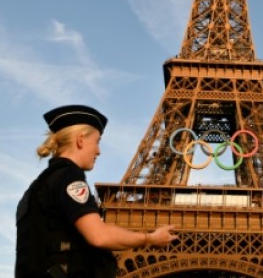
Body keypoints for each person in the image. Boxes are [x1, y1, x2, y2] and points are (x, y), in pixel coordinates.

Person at [15, 105, 178, 278]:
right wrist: (149, 239)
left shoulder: (36, 187)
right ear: (81, 140)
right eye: (97, 141)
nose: (98, 151)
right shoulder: (69, 176)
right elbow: (98, 235)